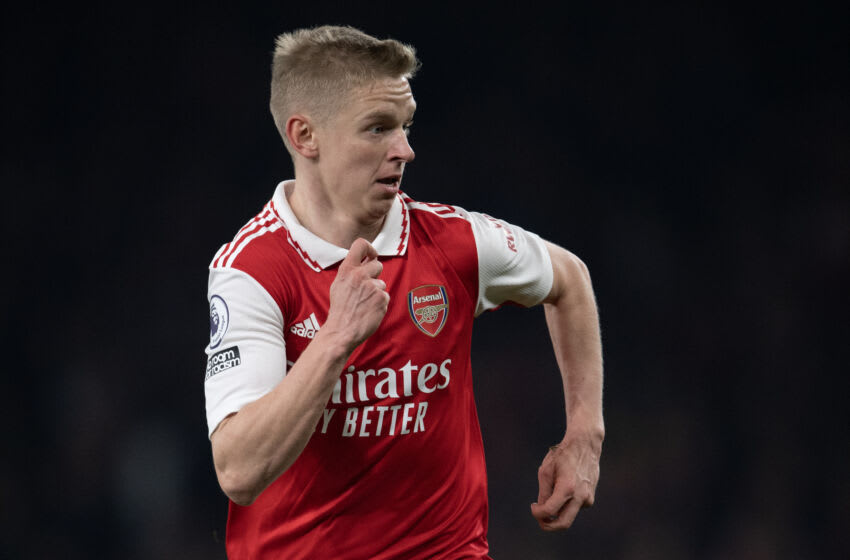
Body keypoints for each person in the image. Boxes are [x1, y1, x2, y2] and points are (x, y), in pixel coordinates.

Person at [204, 25, 604, 559]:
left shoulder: (453, 243)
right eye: (377, 128)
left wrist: (584, 436)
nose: (405, 150)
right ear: (305, 136)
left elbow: (569, 277)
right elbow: (239, 471)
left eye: (405, 126)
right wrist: (337, 337)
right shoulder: (252, 270)